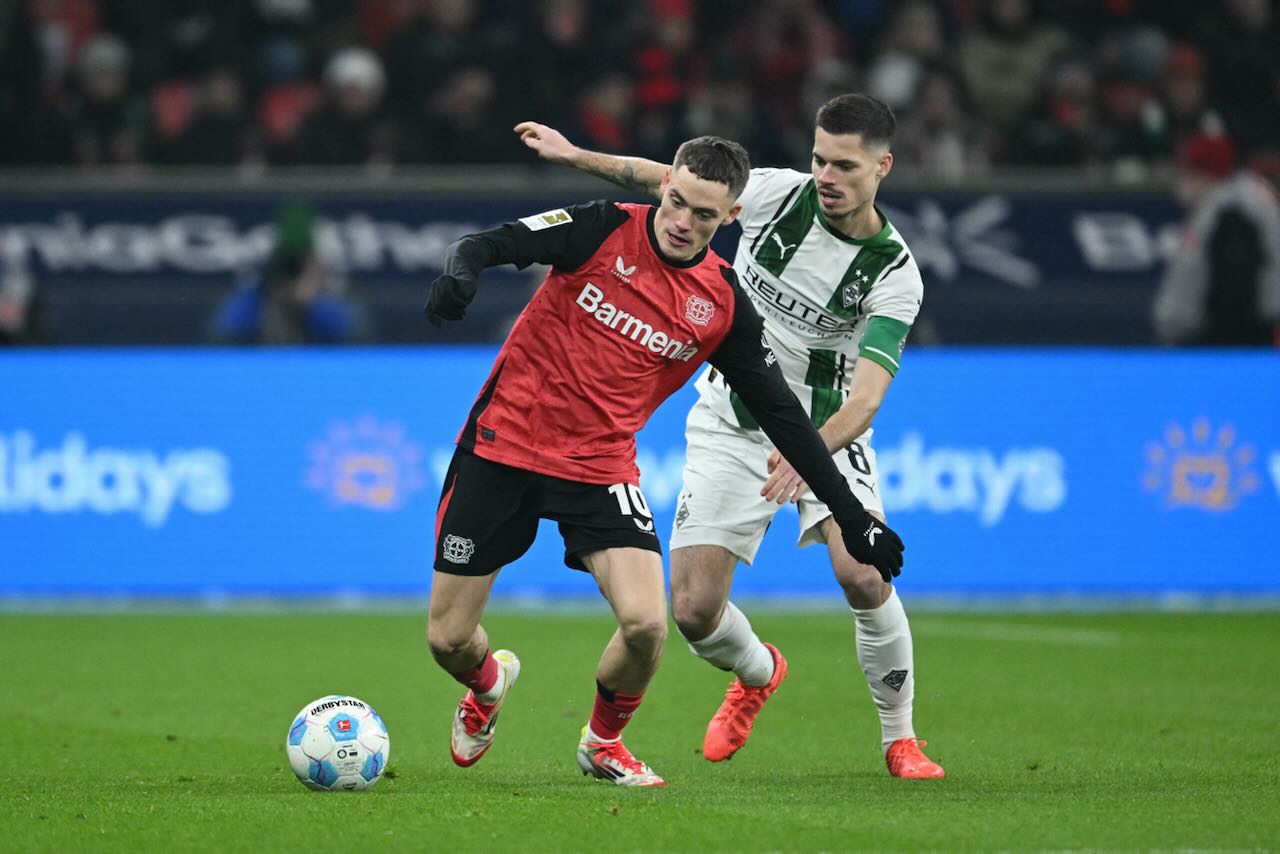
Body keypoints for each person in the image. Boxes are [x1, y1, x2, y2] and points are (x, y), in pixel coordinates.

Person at [424, 135, 905, 788]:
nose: (683, 223)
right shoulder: (598, 229)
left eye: (704, 215)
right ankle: (487, 685)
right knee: (450, 640)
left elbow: (785, 418)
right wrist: (462, 273)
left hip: (599, 469)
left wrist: (851, 517)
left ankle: (603, 744)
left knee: (650, 624)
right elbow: (491, 243)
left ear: (728, 218)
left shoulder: (722, 307)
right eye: (676, 202)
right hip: (501, 449)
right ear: (663, 187)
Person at [1153, 133, 1280, 346]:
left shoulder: (1232, 212)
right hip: (1255, 334)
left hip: (1235, 342)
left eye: (1190, 172)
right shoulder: (1246, 196)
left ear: (1205, 172)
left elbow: (1235, 292)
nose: (1184, 181)